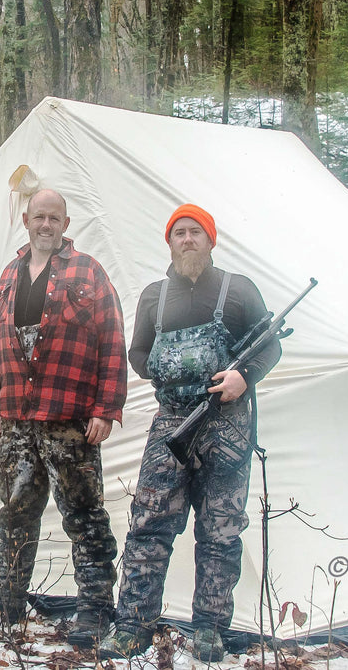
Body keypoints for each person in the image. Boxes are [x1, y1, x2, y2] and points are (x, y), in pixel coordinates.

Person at [99, 204, 282, 662]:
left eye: (195, 232)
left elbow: (271, 346)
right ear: (169, 242)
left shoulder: (238, 290)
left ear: (210, 240)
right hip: (172, 422)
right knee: (148, 524)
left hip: (228, 424)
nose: (187, 239)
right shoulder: (154, 297)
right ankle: (132, 625)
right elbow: (139, 355)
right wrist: (173, 366)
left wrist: (245, 377)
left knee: (220, 530)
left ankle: (210, 629)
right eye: (178, 233)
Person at [0, 189, 127, 649]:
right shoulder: (9, 274)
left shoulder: (88, 271)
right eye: (39, 217)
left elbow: (112, 341)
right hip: (17, 417)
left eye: (55, 218)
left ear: (66, 224)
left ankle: (94, 609)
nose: (46, 225)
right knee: (15, 510)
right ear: (26, 221)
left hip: (69, 418)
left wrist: (106, 408)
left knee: (84, 516)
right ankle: (6, 599)